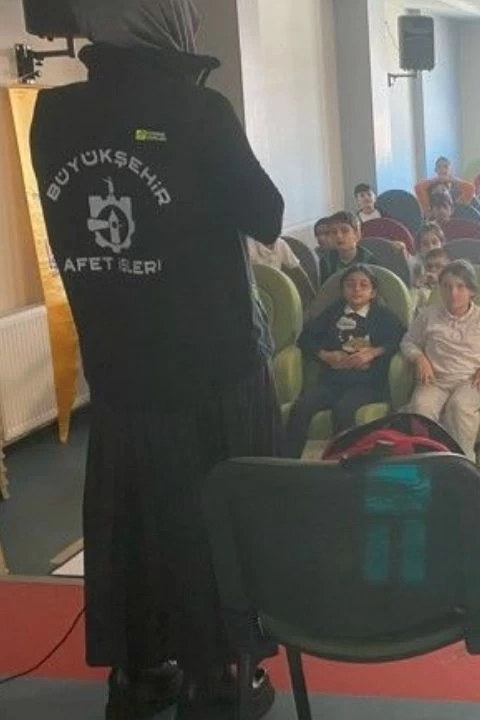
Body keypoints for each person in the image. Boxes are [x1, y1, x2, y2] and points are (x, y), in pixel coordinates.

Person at [30, 1, 286, 714]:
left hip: (118, 366)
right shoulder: (198, 111)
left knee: (133, 524)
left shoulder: (52, 114)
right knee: (216, 520)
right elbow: (266, 214)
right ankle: (221, 677)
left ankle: (136, 674)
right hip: (212, 366)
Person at [400, 260, 480, 460]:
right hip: (435, 380)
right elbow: (408, 342)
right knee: (421, 407)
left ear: (472, 291)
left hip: (472, 380)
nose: (453, 293)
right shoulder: (428, 315)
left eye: (460, 287)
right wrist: (419, 358)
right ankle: (429, 459)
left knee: (459, 406)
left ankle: (464, 460)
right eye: (447, 286)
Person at [284, 265, 406, 457]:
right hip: (332, 381)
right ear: (342, 290)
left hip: (367, 384)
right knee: (301, 408)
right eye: (350, 285)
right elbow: (306, 338)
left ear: (373, 292)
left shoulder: (383, 316)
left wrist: (373, 353)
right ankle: (288, 462)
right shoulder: (333, 312)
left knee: (343, 411)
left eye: (363, 285)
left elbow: (400, 340)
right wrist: (325, 355)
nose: (356, 289)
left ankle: (340, 463)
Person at [319, 211, 377, 284]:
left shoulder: (370, 261)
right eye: (334, 232)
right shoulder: (326, 262)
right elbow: (325, 288)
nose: (339, 236)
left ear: (357, 234)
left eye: (345, 231)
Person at [412, 246, 449, 314]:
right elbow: (411, 310)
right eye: (429, 266)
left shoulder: (451, 289)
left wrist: (438, 284)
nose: (433, 270)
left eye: (438, 266)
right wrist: (416, 287)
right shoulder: (421, 289)